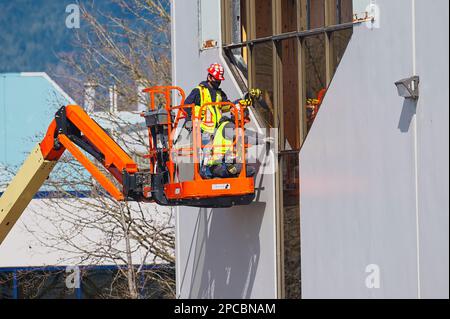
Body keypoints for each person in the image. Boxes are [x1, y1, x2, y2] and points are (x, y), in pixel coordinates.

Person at [184, 63, 232, 146]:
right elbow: (186, 106)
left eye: (219, 80)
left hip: (217, 130)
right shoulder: (198, 91)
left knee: (222, 153)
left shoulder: (220, 93)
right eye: (216, 80)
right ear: (209, 77)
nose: (218, 82)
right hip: (202, 130)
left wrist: (242, 101)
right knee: (207, 154)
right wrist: (190, 121)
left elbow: (228, 105)